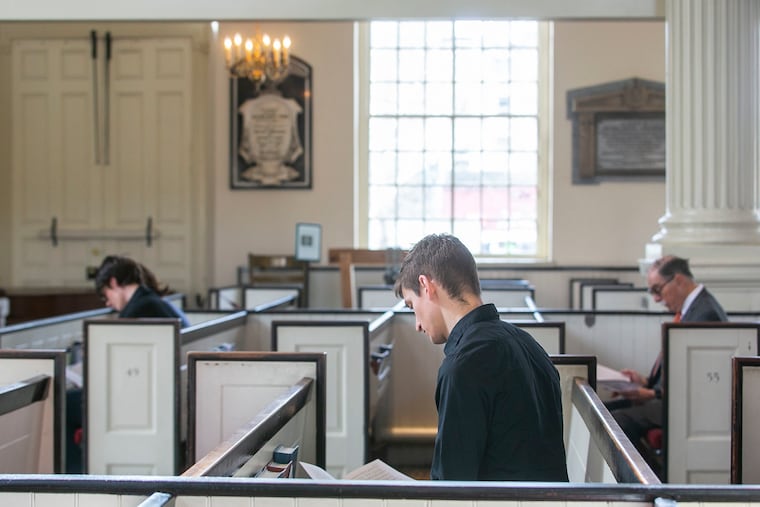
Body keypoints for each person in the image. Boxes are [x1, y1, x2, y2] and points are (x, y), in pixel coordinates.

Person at [394, 233, 568, 481]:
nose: (417, 325)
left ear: (426, 285)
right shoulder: (529, 344)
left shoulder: (463, 365)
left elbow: (451, 487)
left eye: (412, 306)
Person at [609, 255, 728, 444]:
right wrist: (644, 381)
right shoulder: (692, 310)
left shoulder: (706, 314)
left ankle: (642, 474)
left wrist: (650, 394)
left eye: (657, 290)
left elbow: (697, 381)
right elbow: (678, 369)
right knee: (603, 409)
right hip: (670, 397)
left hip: (687, 407)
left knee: (616, 421)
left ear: (678, 280)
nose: (656, 299)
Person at [94, 255, 190, 327]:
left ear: (113, 282)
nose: (108, 303)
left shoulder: (137, 310)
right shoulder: (151, 299)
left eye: (105, 296)